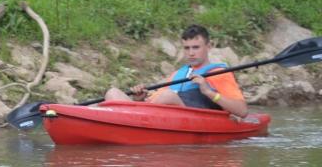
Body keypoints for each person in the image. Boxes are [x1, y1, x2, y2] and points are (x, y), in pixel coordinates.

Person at [104, 25, 248, 118]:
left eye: (196, 47)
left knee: (167, 96)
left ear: (208, 46)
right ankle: (125, 119)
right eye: (187, 48)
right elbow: (155, 98)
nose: (191, 53)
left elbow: (242, 112)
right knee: (113, 92)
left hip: (193, 118)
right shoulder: (178, 74)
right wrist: (139, 98)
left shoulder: (219, 73)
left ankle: (127, 120)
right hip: (154, 115)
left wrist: (209, 92)